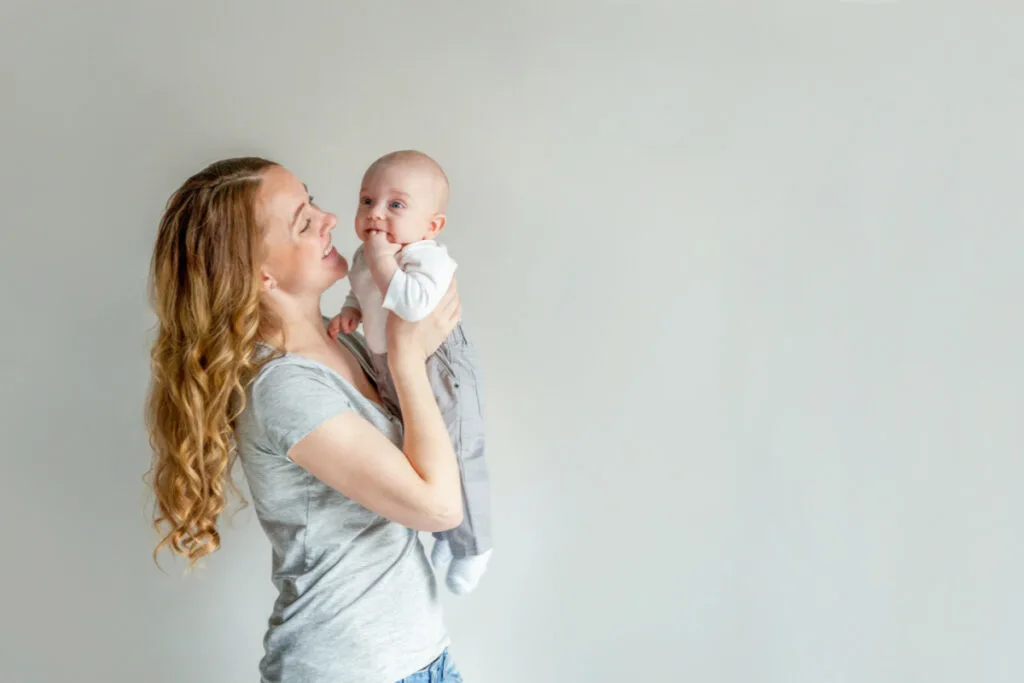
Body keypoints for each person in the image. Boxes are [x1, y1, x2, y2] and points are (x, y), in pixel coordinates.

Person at [146, 156, 466, 682]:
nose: (330, 218)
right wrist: (408, 358)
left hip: (420, 657)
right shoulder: (284, 387)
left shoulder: (345, 343)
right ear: (261, 274)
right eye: (302, 220)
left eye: (312, 201)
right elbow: (438, 508)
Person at [329, 150, 491, 594]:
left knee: (457, 449)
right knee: (418, 449)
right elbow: (361, 291)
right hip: (391, 363)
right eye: (366, 201)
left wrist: (382, 260)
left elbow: (414, 305)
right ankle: (449, 535)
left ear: (432, 226)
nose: (375, 214)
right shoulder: (369, 256)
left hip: (437, 362)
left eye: (395, 205)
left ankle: (475, 545)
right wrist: (350, 312)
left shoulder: (425, 257)